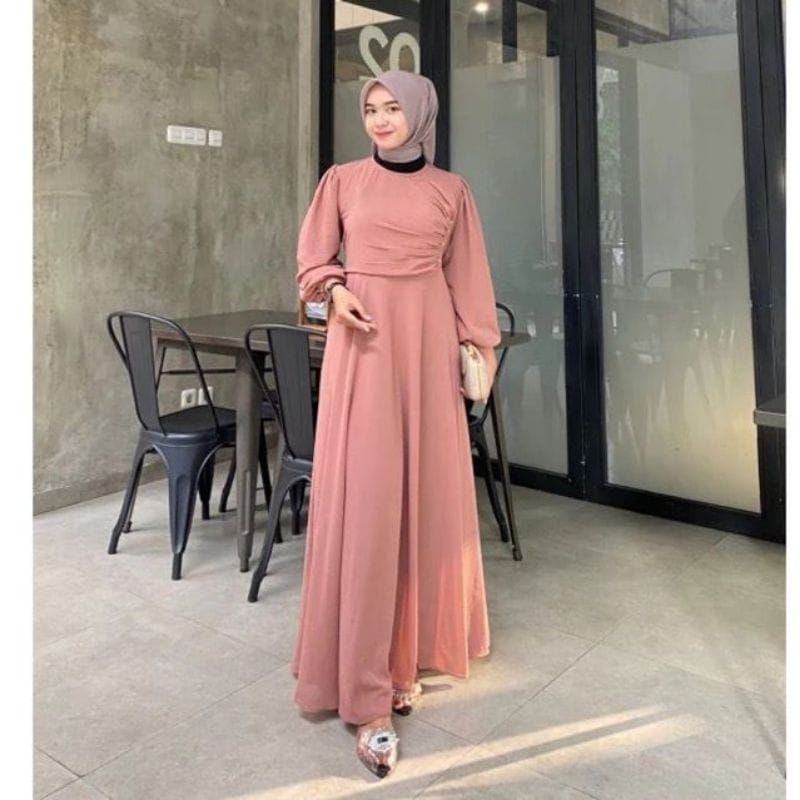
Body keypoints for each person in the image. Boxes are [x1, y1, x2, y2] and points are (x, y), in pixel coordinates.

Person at [292, 70, 501, 779]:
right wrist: (335, 290)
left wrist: (480, 348)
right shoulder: (342, 181)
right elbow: (313, 261)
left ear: (419, 114)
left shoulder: (452, 191)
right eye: (370, 109)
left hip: (428, 342)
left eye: (392, 108)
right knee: (370, 500)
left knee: (423, 498)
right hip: (365, 344)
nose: (380, 119)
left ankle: (404, 657)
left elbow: (469, 276)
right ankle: (366, 689)